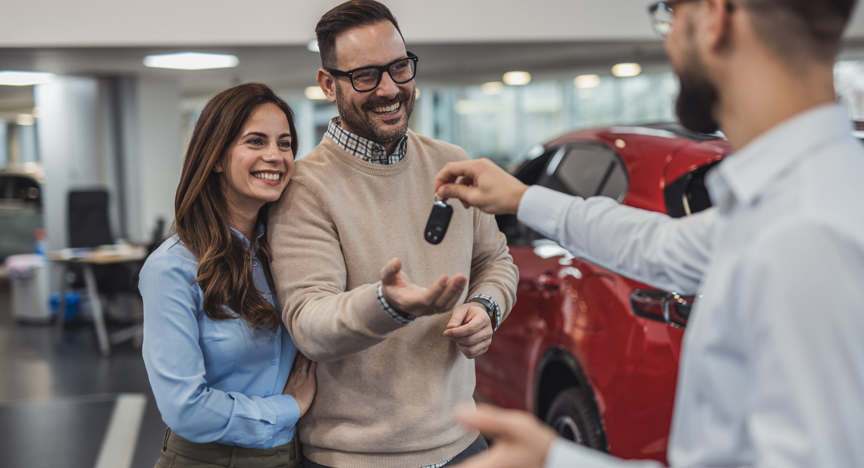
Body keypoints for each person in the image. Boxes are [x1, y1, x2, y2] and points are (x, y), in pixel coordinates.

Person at [434, 0, 864, 467]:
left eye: (668, 12)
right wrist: (522, 199)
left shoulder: (805, 232)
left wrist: (556, 461)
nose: (668, 35)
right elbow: (660, 245)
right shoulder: (804, 194)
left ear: (715, 16)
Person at [267, 1, 519, 467]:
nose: (390, 88)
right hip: (354, 458)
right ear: (328, 84)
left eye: (399, 67)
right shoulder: (304, 187)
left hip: (464, 443)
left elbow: (496, 261)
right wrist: (388, 305)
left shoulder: (452, 161)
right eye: (366, 75)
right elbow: (309, 323)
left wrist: (487, 307)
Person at [139, 83, 317, 468]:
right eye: (255, 141)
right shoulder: (173, 268)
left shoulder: (286, 255)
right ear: (216, 157)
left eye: (284, 144)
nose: (275, 155)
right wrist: (288, 408)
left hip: (291, 456)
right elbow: (186, 409)